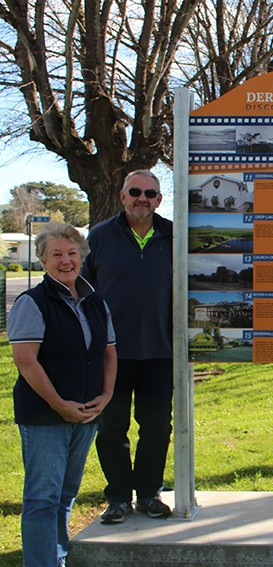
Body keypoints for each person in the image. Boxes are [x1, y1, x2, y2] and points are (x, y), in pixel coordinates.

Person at [8, 223, 117, 567]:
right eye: (56, 254)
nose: (65, 261)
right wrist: (59, 405)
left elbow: (109, 352)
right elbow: (26, 361)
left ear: (82, 258)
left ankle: (57, 556)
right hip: (45, 417)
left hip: (86, 414)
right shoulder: (32, 303)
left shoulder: (95, 302)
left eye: (71, 253)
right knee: (43, 498)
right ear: (42, 260)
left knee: (65, 495)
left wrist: (107, 396)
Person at [82, 169, 174, 523]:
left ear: (159, 200)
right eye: (135, 191)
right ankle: (118, 496)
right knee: (111, 428)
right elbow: (84, 293)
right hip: (110, 354)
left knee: (156, 427)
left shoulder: (172, 235)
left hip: (160, 352)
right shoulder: (101, 236)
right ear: (122, 196)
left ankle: (150, 493)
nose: (142, 199)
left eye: (150, 193)